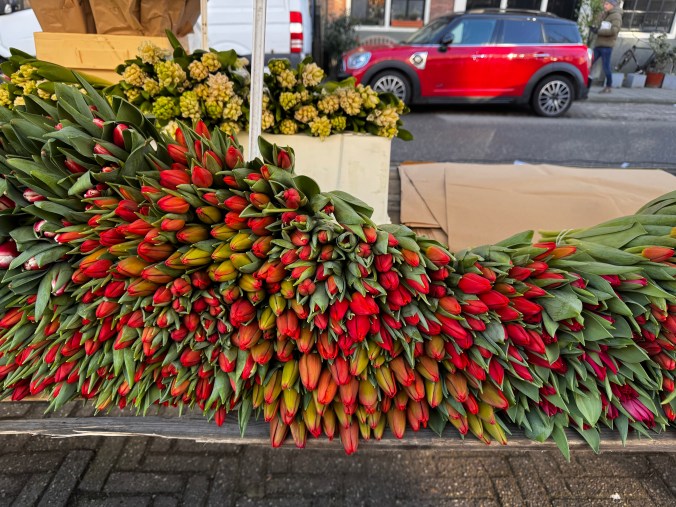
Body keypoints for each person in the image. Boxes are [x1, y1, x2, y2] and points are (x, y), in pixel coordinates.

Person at [593, 0, 623, 93]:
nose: (604, 5)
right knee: (588, 63)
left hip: (606, 46)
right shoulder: (607, 14)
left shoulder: (616, 16)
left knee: (606, 67)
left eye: (606, 4)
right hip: (599, 44)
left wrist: (598, 31)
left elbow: (614, 31)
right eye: (604, 3)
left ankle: (609, 86)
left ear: (612, 5)